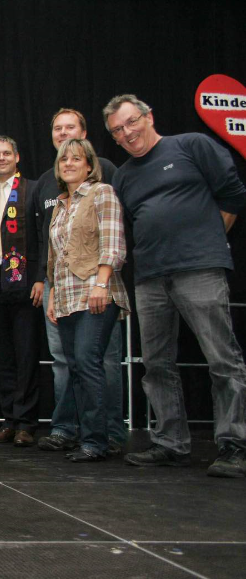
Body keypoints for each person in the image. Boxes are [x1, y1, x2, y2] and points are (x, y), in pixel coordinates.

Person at [104, 94, 246, 478]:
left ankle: (235, 446)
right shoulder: (123, 176)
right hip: (150, 278)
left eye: (131, 122)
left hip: (199, 270)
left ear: (148, 116)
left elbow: (233, 193)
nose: (126, 133)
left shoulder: (191, 145)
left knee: (222, 360)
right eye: (117, 130)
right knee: (156, 365)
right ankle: (170, 443)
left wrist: (208, 240)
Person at [33, 109, 127, 455]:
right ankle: (81, 434)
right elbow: (54, 257)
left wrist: (101, 284)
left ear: (89, 165)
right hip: (65, 296)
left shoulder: (102, 192)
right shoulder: (60, 204)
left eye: (76, 159)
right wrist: (53, 295)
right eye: (64, 160)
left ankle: (99, 440)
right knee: (74, 365)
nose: (69, 164)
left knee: (89, 363)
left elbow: (114, 244)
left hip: (95, 293)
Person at [0, 136, 42, 447]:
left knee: (26, 355)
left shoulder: (33, 190)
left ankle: (26, 423)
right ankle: (9, 421)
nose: (1, 158)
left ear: (17, 157)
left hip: (25, 282)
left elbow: (43, 238)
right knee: (2, 357)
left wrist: (40, 278)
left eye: (6, 153)